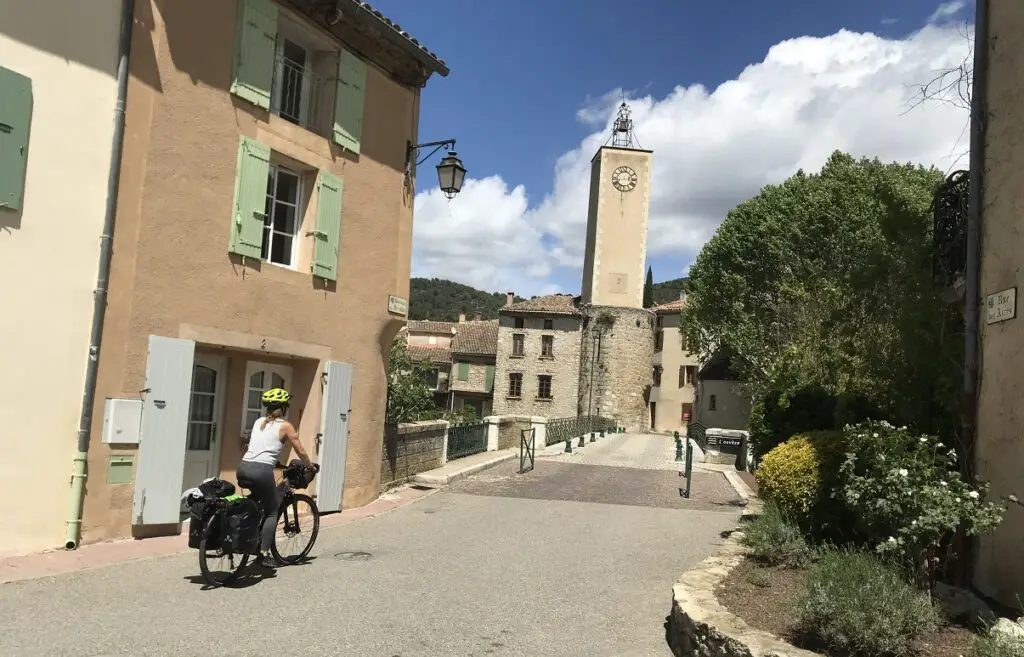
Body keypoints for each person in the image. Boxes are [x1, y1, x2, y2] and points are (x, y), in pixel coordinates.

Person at [237, 387, 316, 568]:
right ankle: (263, 554)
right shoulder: (285, 426)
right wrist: (310, 466)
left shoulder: (259, 422)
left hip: (243, 468)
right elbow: (300, 450)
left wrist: (277, 463)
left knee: (257, 503)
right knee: (273, 510)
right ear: (284, 407)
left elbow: (261, 448)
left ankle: (250, 534)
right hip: (261, 472)